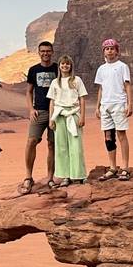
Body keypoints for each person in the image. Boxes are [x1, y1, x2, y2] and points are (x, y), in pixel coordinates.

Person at [19, 41, 58, 194]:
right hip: (39, 111)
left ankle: (50, 178)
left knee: (52, 144)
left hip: (55, 112)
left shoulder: (58, 68)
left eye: (48, 51)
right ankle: (28, 177)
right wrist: (31, 109)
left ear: (52, 52)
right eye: (43, 51)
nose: (45, 53)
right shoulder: (33, 70)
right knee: (31, 141)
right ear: (39, 52)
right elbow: (28, 91)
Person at [94, 38, 133, 181]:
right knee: (108, 138)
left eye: (112, 48)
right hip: (106, 106)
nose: (109, 51)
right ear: (103, 51)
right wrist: (97, 106)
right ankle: (112, 167)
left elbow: (127, 85)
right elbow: (101, 88)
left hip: (119, 104)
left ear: (117, 51)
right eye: (107, 48)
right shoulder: (101, 69)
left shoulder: (122, 66)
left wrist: (130, 104)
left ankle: (125, 167)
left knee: (121, 135)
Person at [46, 55, 88, 185]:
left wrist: (82, 116)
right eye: (63, 64)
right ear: (59, 66)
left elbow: (82, 99)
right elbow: (52, 102)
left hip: (73, 114)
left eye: (67, 64)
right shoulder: (55, 83)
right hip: (59, 115)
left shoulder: (77, 80)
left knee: (76, 146)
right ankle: (65, 176)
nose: (65, 66)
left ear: (71, 66)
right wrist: (51, 119)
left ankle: (79, 174)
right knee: (61, 146)